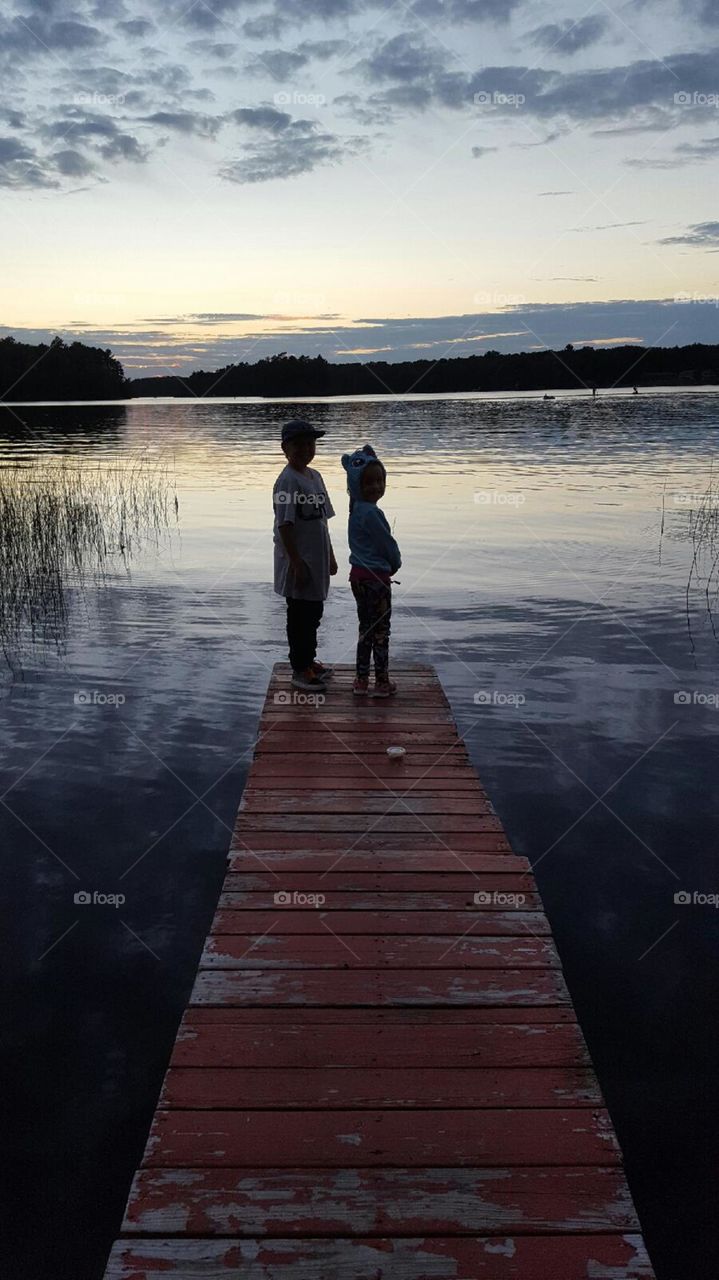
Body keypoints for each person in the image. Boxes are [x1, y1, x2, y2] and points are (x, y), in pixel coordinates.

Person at [273, 419, 337, 691]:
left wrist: (331, 555)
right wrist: (296, 562)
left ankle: (309, 660)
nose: (305, 449)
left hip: (318, 559)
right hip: (298, 563)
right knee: (299, 615)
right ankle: (300, 668)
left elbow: (323, 521)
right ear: (285, 448)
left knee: (314, 612)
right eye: (298, 444)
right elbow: (285, 525)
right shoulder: (287, 481)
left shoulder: (316, 476)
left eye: (310, 443)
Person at [341, 444, 401, 697]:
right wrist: (395, 564)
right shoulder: (372, 513)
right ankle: (382, 682)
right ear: (357, 486)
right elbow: (386, 544)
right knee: (381, 631)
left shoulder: (355, 511)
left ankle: (361, 680)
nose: (377, 486)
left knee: (365, 629)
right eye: (370, 483)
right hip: (377, 579)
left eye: (380, 481)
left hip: (358, 577)